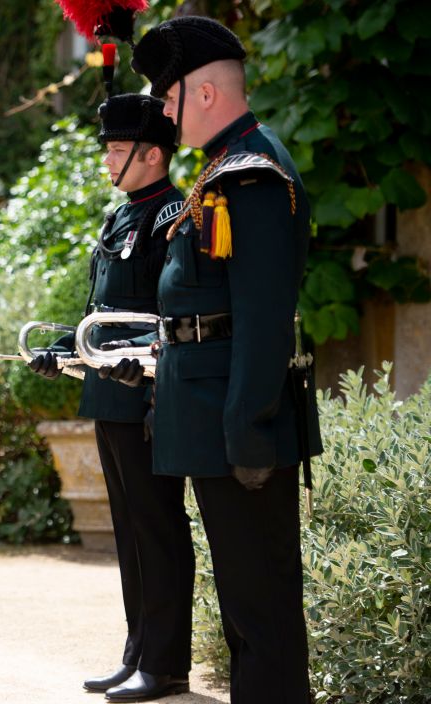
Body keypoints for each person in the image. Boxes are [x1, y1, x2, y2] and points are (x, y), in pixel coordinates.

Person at [105, 16, 323, 703]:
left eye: (168, 100)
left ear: (203, 94)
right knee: (245, 609)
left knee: (260, 612)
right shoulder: (226, 168)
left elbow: (260, 319)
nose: (164, 116)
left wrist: (249, 431)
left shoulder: (252, 175)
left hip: (239, 428)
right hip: (214, 417)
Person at [28, 93, 194, 702]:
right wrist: (68, 349)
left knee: (158, 528)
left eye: (118, 150)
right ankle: (138, 653)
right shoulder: (121, 214)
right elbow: (106, 309)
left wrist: (151, 383)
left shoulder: (172, 212)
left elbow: (168, 312)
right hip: (109, 394)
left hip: (148, 396)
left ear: (153, 154)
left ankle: (168, 663)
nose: (108, 160)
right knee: (130, 531)